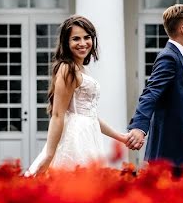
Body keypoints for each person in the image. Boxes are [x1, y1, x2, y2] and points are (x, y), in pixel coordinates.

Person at [26, 15, 128, 175]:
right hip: (75, 139)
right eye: (75, 39)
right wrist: (49, 155)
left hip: (89, 135)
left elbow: (90, 114)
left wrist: (120, 137)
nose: (82, 43)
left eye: (87, 37)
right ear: (66, 43)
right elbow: (58, 114)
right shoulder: (67, 69)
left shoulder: (81, 69)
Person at [127, 3, 183, 168]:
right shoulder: (169, 57)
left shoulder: (182, 58)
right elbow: (151, 92)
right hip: (170, 156)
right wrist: (139, 127)